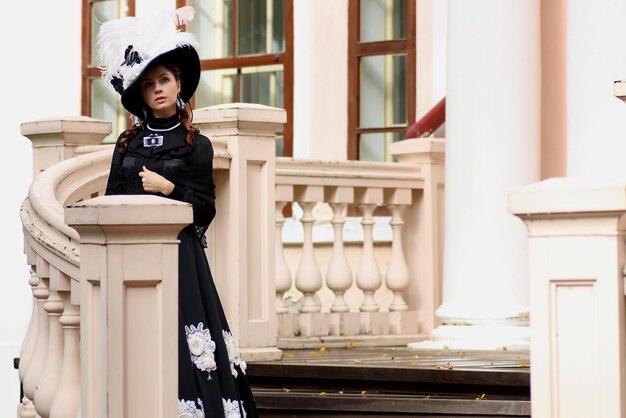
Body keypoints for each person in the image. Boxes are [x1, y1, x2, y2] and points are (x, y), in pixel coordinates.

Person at [97, 7, 258, 418]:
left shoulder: (196, 144)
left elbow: (205, 210)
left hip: (183, 260)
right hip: (133, 258)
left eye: (164, 79)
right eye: (149, 84)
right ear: (142, 95)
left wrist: (170, 189)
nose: (158, 89)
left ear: (179, 83)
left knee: (185, 337)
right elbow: (111, 199)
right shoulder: (125, 144)